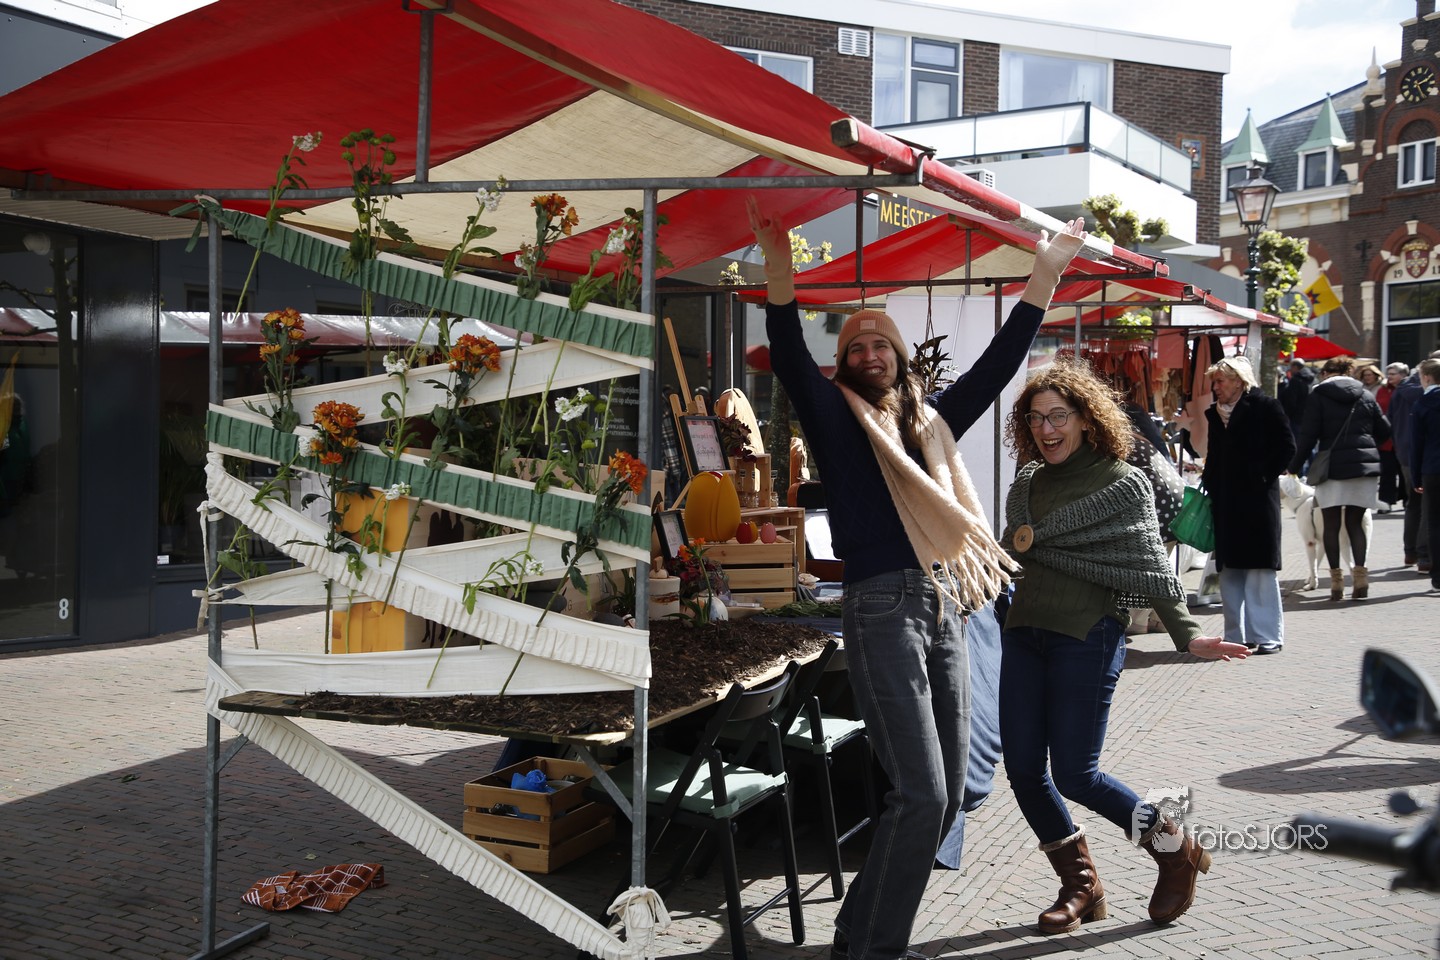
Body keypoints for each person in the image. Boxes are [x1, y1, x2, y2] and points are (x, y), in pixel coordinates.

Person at [748, 196, 1086, 960]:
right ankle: (876, 949)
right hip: (880, 609)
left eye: (881, 344)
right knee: (922, 792)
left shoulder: (930, 426)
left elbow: (998, 366)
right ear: (845, 363)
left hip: (944, 603)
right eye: (857, 346)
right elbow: (790, 353)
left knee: (948, 795)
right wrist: (778, 268)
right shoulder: (834, 419)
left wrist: (1044, 275)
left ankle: (856, 936)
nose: (870, 353)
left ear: (900, 358)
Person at [998, 355, 1247, 936]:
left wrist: (1188, 635)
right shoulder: (1027, 482)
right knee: (1024, 770)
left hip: (1087, 635)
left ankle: (1173, 850)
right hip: (1024, 632)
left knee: (1077, 775)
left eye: (1058, 416)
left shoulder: (1121, 481)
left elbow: (1151, 565)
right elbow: (1014, 550)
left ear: (1087, 418)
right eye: (1035, 418)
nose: (1046, 429)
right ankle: (1081, 886)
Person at [1201, 357, 1297, 651]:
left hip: (1257, 502)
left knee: (1259, 570)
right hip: (1226, 502)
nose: (1216, 387)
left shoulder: (1266, 406)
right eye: (1214, 382)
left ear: (1239, 381)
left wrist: (1262, 476)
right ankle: (1236, 635)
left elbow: (1287, 446)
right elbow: (1214, 455)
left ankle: (1267, 636)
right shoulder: (1215, 414)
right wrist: (1210, 483)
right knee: (1229, 570)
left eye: (1220, 381)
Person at [1288, 355, 1390, 601]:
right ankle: (1361, 578)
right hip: (1363, 467)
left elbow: (1308, 436)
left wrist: (1294, 467)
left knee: (1331, 525)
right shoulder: (1365, 394)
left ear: (1325, 374)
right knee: (1356, 523)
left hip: (1331, 467)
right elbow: (1385, 430)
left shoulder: (1319, 395)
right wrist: (1366, 445)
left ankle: (1336, 584)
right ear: (1350, 373)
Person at [1390, 354, 1440, 572]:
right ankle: (1424, 556)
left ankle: (1412, 552)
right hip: (1427, 460)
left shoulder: (1403, 392)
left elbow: (1391, 420)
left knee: (1415, 505)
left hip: (1410, 456)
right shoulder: (1424, 397)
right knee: (1429, 510)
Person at [1409, 358, 1440, 594]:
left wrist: (1416, 477)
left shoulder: (1422, 404)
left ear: (1427, 377)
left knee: (1434, 522)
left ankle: (1438, 577)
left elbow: (1416, 444)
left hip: (1433, 468)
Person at [1376, 362, 1409, 512]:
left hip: (1403, 436)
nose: (1389, 377)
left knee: (1405, 472)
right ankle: (1385, 502)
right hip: (1386, 438)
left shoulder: (1410, 390)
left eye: (1393, 374)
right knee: (1387, 472)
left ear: (1403, 375)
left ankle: (1408, 500)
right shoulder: (1383, 390)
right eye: (1388, 374)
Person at [1278, 358, 1316, 439]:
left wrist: (1287, 415)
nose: (1290, 370)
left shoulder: (1295, 381)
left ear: (1295, 367)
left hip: (1295, 418)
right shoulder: (1312, 380)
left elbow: (1291, 401)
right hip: (1308, 417)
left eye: (1291, 367)